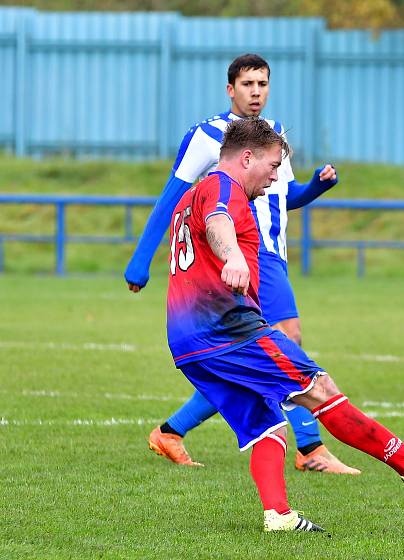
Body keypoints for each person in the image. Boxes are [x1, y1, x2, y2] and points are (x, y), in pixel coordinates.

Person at [166, 117, 404, 531]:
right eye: (273, 166)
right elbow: (219, 223)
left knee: (267, 423)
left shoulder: (190, 197)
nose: (276, 176)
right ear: (246, 157)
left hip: (188, 340)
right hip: (226, 330)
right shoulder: (224, 187)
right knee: (319, 388)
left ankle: (278, 516)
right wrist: (233, 257)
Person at [125, 53, 358, 474]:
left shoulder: (275, 136)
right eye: (248, 84)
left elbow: (285, 197)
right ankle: (310, 448)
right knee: (288, 338)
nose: (256, 92)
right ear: (230, 89)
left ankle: (171, 431)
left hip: (273, 257)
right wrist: (140, 263)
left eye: (263, 84)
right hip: (242, 259)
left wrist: (317, 187)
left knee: (247, 359)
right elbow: (171, 197)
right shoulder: (206, 136)